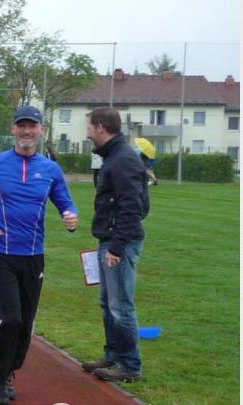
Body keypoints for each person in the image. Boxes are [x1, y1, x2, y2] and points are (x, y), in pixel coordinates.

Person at [0, 105, 78, 405]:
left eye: (32, 126)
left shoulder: (50, 169)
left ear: (41, 130)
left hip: (33, 256)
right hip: (0, 254)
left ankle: (10, 371)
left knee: (26, 324)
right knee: (10, 318)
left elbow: (65, 202)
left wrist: (70, 215)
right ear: (13, 129)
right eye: (21, 126)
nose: (26, 131)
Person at [81, 107, 149, 383]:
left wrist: (117, 246)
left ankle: (129, 364)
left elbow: (133, 207)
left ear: (100, 127)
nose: (87, 132)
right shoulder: (114, 157)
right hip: (109, 238)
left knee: (120, 305)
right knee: (108, 303)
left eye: (89, 127)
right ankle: (113, 354)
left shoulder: (123, 159)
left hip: (119, 242)